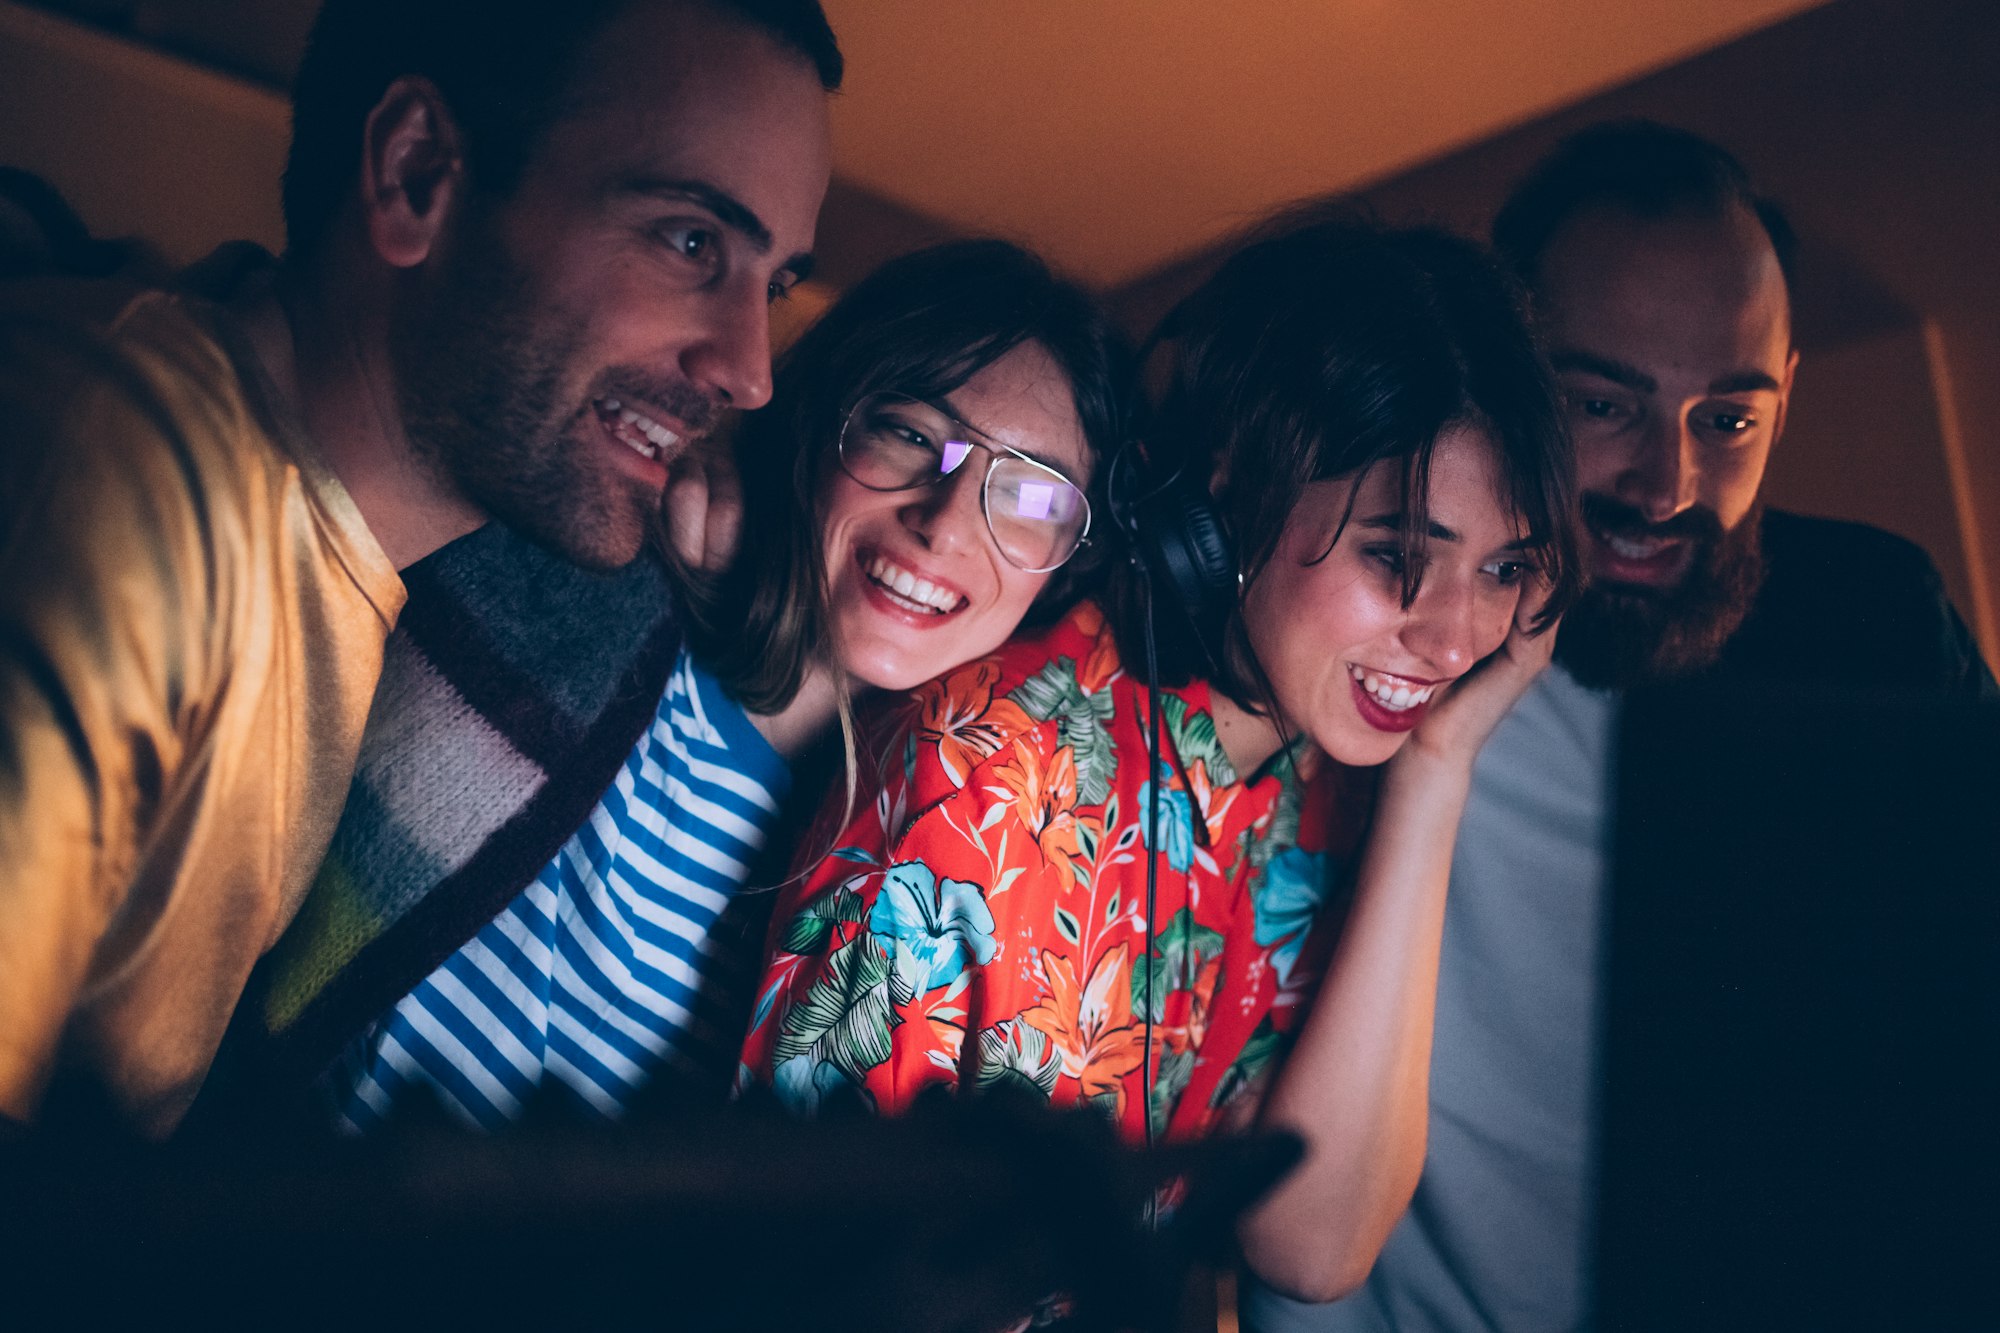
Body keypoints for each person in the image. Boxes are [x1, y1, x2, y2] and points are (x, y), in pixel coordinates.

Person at [0, 0, 839, 1137]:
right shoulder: (125, 476)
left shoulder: (328, 550)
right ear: (415, 176)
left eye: (774, 284)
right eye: (690, 241)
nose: (750, 371)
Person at [737, 213, 1582, 1301]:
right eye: (1396, 556)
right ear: (1227, 490)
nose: (1456, 638)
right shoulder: (981, 785)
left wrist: (1434, 774)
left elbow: (1312, 1240)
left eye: (1504, 569)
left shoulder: (1313, 787)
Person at [1245, 121, 1997, 1332]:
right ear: (1507, 366)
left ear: (1786, 392)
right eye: (1603, 402)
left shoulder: (1874, 624)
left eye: (1727, 421)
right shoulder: (1360, 618)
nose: (1665, 487)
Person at [295, 239, 1128, 1130]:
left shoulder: (913, 861)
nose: (943, 522)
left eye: (1034, 500)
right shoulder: (595, 590)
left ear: (1066, 572)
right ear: (820, 424)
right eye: (912, 434)